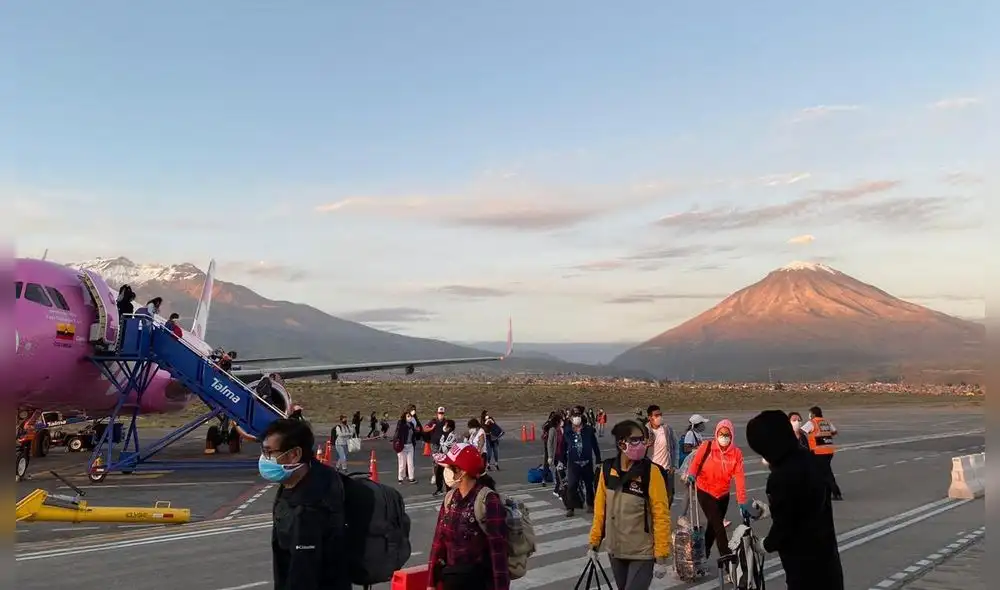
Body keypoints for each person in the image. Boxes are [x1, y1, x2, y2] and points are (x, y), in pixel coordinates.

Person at [746, 410, 844, 590]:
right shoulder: (809, 459)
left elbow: (785, 526)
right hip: (827, 561)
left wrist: (765, 545)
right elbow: (804, 505)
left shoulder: (781, 477)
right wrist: (771, 509)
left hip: (804, 568)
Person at [262, 418, 351, 590]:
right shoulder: (316, 476)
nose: (265, 460)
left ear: (294, 454)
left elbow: (303, 575)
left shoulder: (309, 507)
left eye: (269, 453)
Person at [588, 420, 671, 589]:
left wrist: (661, 554)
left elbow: (661, 514)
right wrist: (594, 543)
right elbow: (600, 511)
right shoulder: (607, 470)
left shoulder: (651, 472)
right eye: (635, 440)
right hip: (616, 550)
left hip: (641, 552)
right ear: (621, 444)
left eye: (643, 440)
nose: (641, 444)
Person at [426, 443, 509, 590]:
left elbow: (498, 553)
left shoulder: (488, 500)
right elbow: (438, 543)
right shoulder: (449, 499)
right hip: (451, 581)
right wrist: (431, 583)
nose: (446, 472)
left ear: (462, 472)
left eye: (450, 468)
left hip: (478, 582)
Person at [683, 419, 752, 562]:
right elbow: (695, 463)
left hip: (723, 494)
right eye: (721, 434)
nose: (724, 437)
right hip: (705, 491)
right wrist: (691, 475)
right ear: (716, 434)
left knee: (712, 528)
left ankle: (704, 554)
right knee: (719, 527)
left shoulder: (736, 454)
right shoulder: (707, 447)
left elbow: (739, 478)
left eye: (727, 435)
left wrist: (742, 501)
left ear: (732, 436)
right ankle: (727, 560)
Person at [558, 405, 601, 517]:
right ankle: (570, 507)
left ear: (581, 416)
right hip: (573, 463)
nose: (576, 418)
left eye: (578, 415)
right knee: (572, 485)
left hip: (587, 462)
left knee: (589, 485)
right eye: (574, 416)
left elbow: (595, 445)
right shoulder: (567, 432)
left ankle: (590, 504)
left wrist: (598, 459)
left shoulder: (589, 430)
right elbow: (562, 447)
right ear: (571, 418)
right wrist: (561, 461)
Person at [800, 406, 843, 501]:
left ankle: (835, 492)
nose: (809, 415)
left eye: (810, 413)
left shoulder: (812, 422)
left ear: (814, 414)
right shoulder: (826, 422)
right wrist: (825, 437)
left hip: (818, 452)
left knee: (824, 473)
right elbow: (834, 432)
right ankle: (828, 491)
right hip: (829, 451)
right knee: (825, 471)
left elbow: (801, 431)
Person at [646, 405, 678, 506]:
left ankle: (665, 517)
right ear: (650, 417)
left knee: (669, 495)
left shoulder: (667, 429)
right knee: (653, 496)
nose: (659, 417)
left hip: (667, 469)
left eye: (660, 414)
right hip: (652, 470)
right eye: (656, 415)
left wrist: (674, 465)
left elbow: (675, 445)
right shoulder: (644, 431)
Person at [393, 410, 419, 484]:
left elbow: (414, 433)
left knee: (410, 463)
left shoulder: (411, 424)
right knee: (402, 463)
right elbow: (398, 430)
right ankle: (400, 478)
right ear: (404, 417)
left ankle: (411, 478)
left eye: (410, 416)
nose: (410, 418)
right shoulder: (401, 424)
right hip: (402, 446)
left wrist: (416, 431)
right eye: (408, 416)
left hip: (410, 445)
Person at [543, 411, 566, 497]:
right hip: (556, 454)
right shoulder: (553, 430)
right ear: (557, 422)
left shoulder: (562, 429)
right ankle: (557, 490)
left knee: (561, 472)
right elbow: (549, 443)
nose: (562, 422)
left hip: (562, 453)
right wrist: (550, 456)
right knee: (559, 471)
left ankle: (558, 489)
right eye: (561, 420)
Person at [433, 419, 458, 496]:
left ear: (450, 427)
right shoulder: (443, 435)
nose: (444, 426)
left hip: (448, 458)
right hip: (441, 457)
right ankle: (439, 489)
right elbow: (441, 445)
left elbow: (448, 446)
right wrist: (437, 455)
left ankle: (449, 491)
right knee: (438, 473)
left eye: (446, 425)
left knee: (447, 474)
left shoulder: (453, 435)